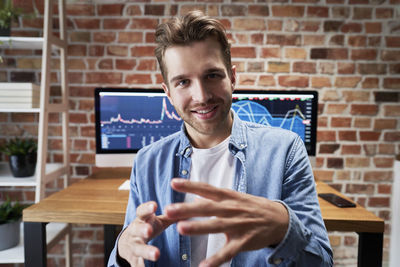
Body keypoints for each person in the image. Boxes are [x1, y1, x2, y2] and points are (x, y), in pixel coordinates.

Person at [108, 10, 333, 267]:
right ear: (168, 93)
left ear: (233, 77)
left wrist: (285, 228)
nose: (201, 96)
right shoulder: (148, 161)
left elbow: (321, 262)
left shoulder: (285, 150)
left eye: (212, 75)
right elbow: (131, 253)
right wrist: (122, 251)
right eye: (183, 82)